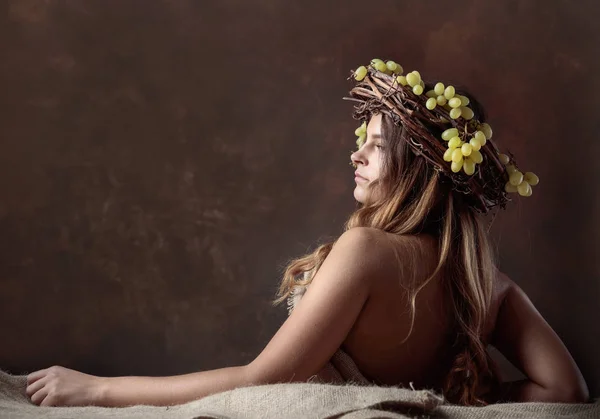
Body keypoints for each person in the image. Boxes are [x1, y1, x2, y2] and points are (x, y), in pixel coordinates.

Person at [25, 59, 589, 408]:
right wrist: (468, 398)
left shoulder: (366, 251)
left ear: (419, 169)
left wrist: (97, 390)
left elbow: (257, 381)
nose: (357, 153)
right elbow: (567, 391)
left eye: (376, 145)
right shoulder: (488, 285)